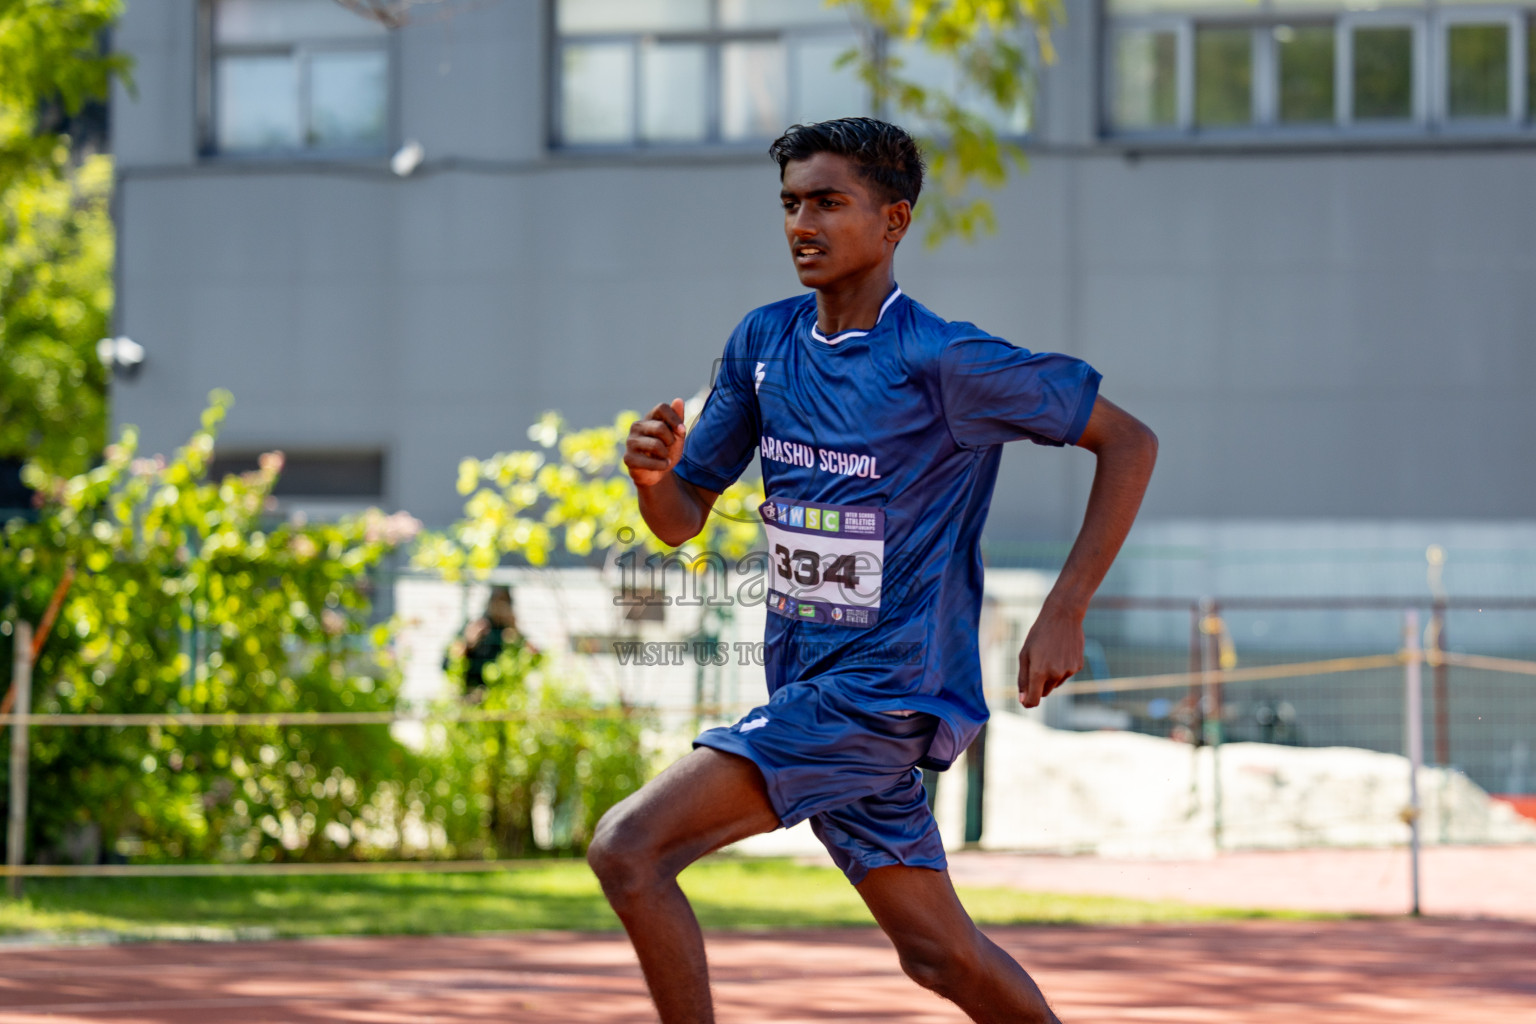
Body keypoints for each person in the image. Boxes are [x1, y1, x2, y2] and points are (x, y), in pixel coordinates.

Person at [587, 118, 1158, 1023]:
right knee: (940, 956)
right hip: (811, 682)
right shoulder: (763, 342)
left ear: (893, 221)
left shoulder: (944, 360)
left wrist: (1066, 608)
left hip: (885, 692)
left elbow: (1128, 439)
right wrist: (653, 476)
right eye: (789, 203)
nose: (800, 223)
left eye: (827, 201)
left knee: (629, 849)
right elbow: (680, 520)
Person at [444, 585, 528, 697]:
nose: (500, 608)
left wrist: (517, 637)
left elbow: (532, 664)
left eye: (505, 603)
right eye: (497, 601)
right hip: (471, 694)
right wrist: (468, 644)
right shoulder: (476, 628)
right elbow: (446, 664)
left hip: (504, 698)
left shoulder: (513, 633)